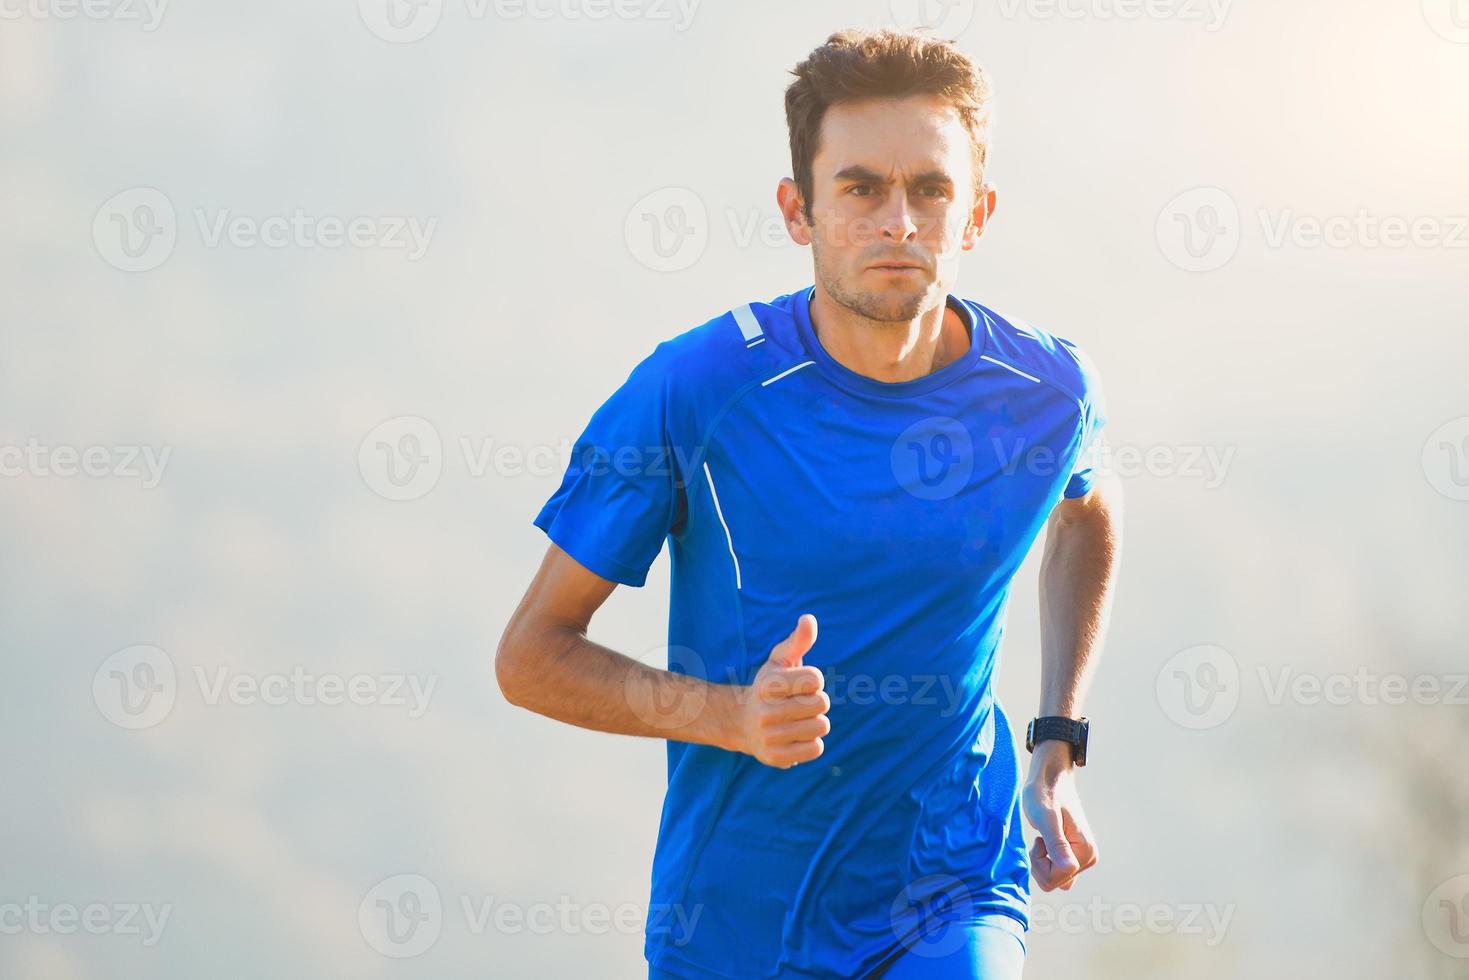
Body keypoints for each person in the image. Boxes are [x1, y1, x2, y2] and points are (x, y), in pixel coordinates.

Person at [497, 26, 1123, 979]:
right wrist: (728, 717)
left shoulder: (1045, 390)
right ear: (799, 210)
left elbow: (1085, 508)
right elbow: (531, 656)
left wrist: (1056, 741)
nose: (898, 220)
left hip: (951, 893)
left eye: (931, 188)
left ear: (979, 211)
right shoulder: (695, 390)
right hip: (736, 925)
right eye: (861, 187)